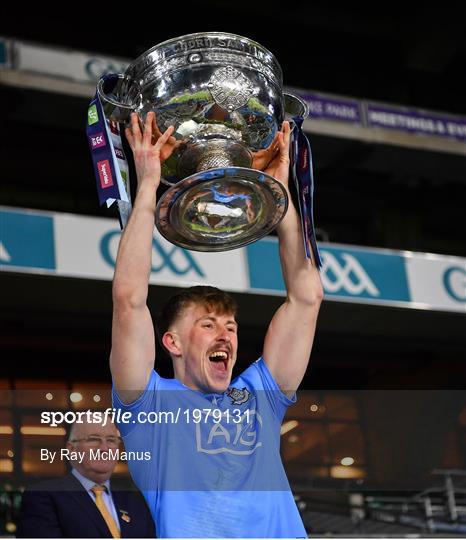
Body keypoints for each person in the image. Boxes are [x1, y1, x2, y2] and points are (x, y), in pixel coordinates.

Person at [110, 111, 323, 537]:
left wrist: (278, 198)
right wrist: (149, 182)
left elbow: (307, 298)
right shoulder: (147, 406)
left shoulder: (258, 397)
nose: (226, 333)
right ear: (170, 341)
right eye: (207, 325)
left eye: (230, 325)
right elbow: (129, 300)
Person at [17, 416, 156, 538]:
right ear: (72, 449)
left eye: (112, 440)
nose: (104, 448)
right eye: (94, 439)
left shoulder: (134, 500)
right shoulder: (43, 497)